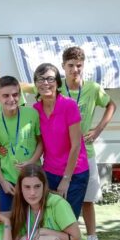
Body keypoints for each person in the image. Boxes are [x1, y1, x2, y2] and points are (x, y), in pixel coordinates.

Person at [61, 46, 116, 240]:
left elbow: (111, 104)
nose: (75, 69)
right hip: (61, 153)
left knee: (87, 199)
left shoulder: (92, 88)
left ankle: (92, 238)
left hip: (86, 152)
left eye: (79, 66)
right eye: (71, 66)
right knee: (60, 199)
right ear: (63, 66)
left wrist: (98, 129)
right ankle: (66, 239)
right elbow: (26, 88)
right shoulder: (56, 87)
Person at [32, 63, 89, 222]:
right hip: (49, 172)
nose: (45, 83)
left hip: (75, 173)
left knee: (68, 221)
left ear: (57, 83)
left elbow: (76, 145)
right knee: (50, 219)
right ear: (35, 84)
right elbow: (38, 143)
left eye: (50, 78)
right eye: (40, 79)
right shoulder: (35, 110)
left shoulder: (69, 105)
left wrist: (66, 179)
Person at [0, 76, 43, 216]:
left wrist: (31, 162)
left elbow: (40, 142)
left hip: (33, 178)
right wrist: (2, 181)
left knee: (35, 221)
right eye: (6, 95)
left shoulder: (32, 114)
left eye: (15, 94)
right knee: (7, 221)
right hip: (9, 181)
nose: (11, 99)